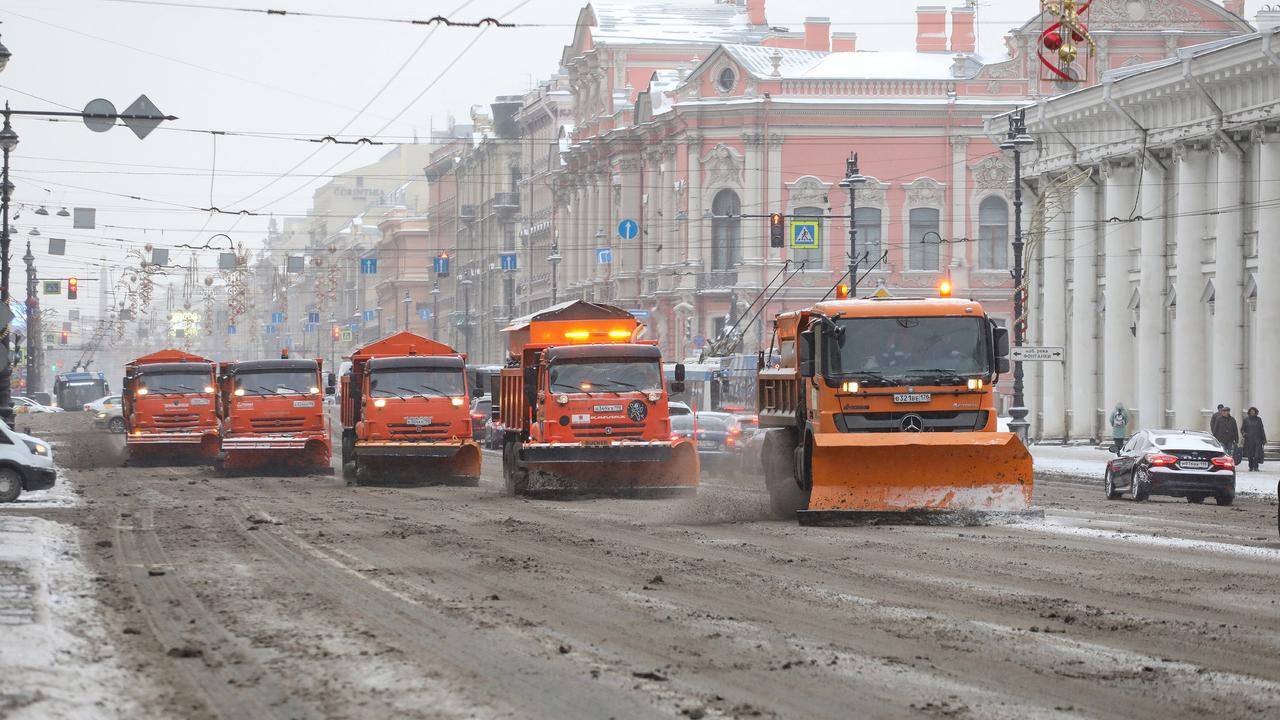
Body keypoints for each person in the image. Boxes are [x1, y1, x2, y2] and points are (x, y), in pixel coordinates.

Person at [1242, 407, 1267, 472]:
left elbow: (1262, 429)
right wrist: (1244, 434)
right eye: (1251, 411)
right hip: (1249, 439)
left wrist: (1264, 439)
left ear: (1256, 412)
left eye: (1253, 411)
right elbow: (1242, 429)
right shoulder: (1246, 420)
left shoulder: (1259, 419)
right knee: (1250, 454)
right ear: (1249, 412)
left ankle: (1256, 467)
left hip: (1257, 439)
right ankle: (1250, 466)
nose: (1252, 412)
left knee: (1257, 454)